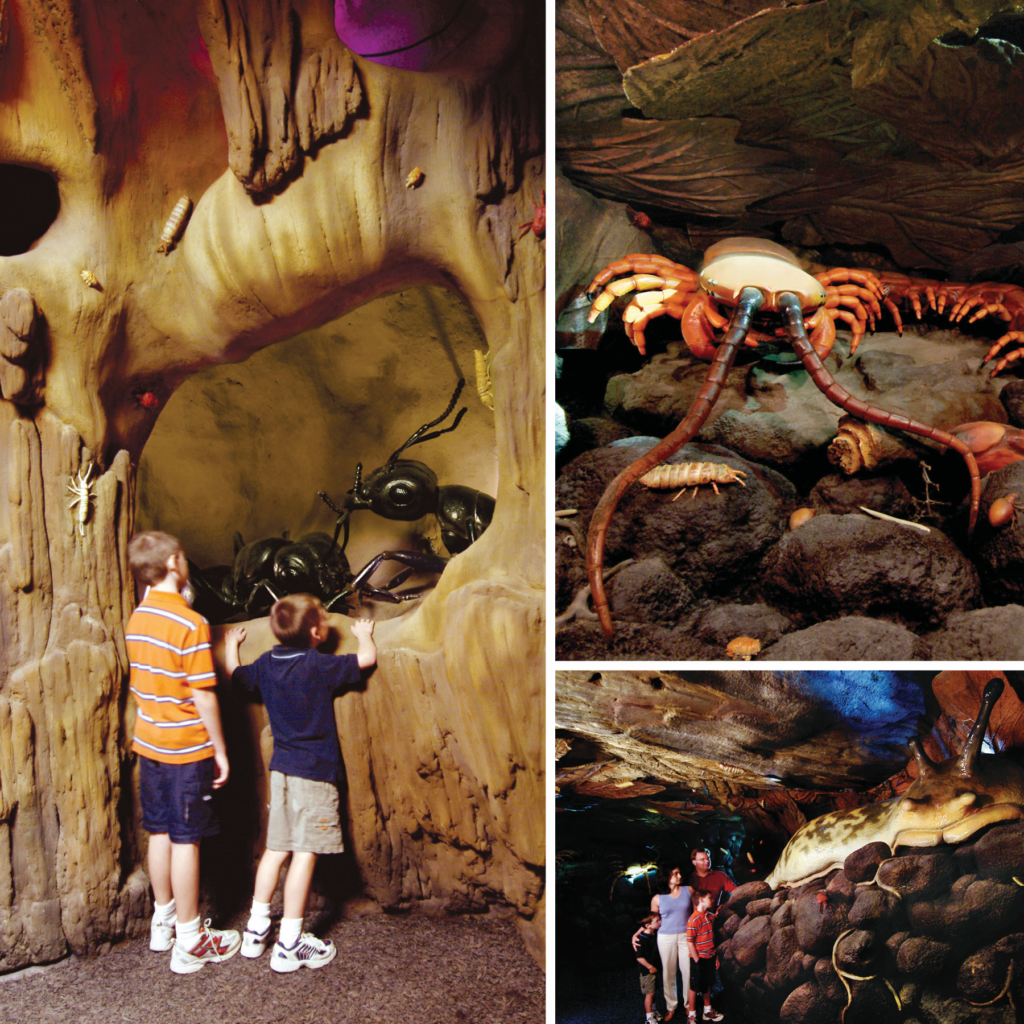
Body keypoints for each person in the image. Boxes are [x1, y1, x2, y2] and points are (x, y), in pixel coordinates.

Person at [224, 594, 376, 972]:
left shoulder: (266, 663)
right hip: (315, 773)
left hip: (282, 773)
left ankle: (256, 931)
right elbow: (366, 660)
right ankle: (289, 944)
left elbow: (236, 677)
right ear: (315, 632)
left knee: (276, 849)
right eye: (323, 619)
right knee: (305, 854)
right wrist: (364, 635)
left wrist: (230, 647)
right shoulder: (316, 665)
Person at [126, 530, 241, 974]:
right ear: (175, 563)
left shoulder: (139, 617)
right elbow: (205, 696)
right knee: (185, 840)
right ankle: (191, 939)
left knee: (158, 832)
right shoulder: (189, 623)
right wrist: (221, 748)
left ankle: (164, 921)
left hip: (149, 744)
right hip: (185, 747)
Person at [634, 866, 693, 1020]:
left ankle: (689, 1005)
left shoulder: (689, 890)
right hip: (665, 937)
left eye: (679, 872)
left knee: (687, 971)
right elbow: (650, 920)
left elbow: (698, 912)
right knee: (668, 972)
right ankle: (671, 1006)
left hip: (686, 936)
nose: (680, 875)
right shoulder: (657, 898)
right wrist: (637, 933)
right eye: (675, 873)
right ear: (666, 877)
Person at [685, 889, 724, 1022]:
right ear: (701, 900)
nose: (712, 900)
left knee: (708, 983)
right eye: (709, 898)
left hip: (710, 956)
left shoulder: (708, 915)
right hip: (699, 959)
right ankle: (691, 1014)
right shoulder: (693, 920)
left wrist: (715, 957)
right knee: (695, 986)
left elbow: (715, 917)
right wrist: (697, 960)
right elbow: (690, 943)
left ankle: (707, 1010)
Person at [635, 912, 663, 1024]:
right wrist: (650, 967)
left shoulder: (653, 934)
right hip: (647, 971)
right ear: (648, 925)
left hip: (655, 969)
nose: (660, 922)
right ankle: (649, 1017)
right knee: (649, 994)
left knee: (653, 992)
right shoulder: (642, 939)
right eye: (657, 921)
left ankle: (653, 1010)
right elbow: (639, 957)